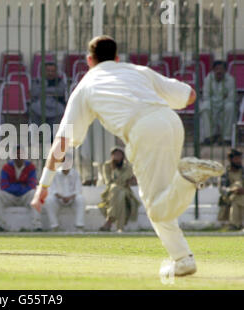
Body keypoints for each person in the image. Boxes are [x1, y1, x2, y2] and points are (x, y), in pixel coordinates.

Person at [31, 35, 224, 277]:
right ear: (117, 58)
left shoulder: (86, 86)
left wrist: (43, 186)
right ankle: (182, 259)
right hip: (171, 122)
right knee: (160, 197)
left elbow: (61, 143)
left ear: (89, 60)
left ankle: (188, 177)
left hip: (142, 130)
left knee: (156, 208)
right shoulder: (139, 70)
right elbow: (190, 96)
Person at [0, 145, 38, 231]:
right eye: (17, 154)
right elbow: (4, 186)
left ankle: (36, 225)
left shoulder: (31, 167)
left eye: (21, 154)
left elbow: (32, 185)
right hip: (11, 197)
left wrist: (14, 186)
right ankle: (1, 225)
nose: (19, 157)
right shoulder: (6, 167)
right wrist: (20, 187)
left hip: (25, 196)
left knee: (35, 194)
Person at [98, 146, 140, 232]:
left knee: (119, 192)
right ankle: (120, 227)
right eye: (115, 154)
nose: (117, 156)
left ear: (123, 156)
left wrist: (119, 181)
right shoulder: (107, 166)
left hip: (126, 191)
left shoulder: (128, 167)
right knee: (119, 194)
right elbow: (108, 181)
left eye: (119, 154)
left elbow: (125, 178)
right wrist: (115, 169)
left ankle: (109, 221)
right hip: (110, 192)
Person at [42, 152, 85, 231]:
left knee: (80, 199)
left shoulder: (75, 174)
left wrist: (70, 197)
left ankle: (79, 226)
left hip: (72, 199)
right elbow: (52, 190)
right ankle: (54, 226)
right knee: (48, 200)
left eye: (68, 161)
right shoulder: (54, 173)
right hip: (58, 199)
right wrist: (61, 197)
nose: (66, 163)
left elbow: (78, 190)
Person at [200, 61, 236, 146]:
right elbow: (206, 96)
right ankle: (209, 137)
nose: (219, 71)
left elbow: (231, 98)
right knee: (205, 106)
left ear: (225, 71)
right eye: (216, 69)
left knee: (230, 106)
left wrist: (221, 101)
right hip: (212, 105)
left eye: (221, 69)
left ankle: (226, 138)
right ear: (213, 70)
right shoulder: (208, 79)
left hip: (224, 105)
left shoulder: (230, 80)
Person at [30, 62, 67, 128]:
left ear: (56, 72)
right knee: (33, 108)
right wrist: (52, 91)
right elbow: (35, 92)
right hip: (40, 107)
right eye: (48, 71)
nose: (50, 73)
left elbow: (60, 92)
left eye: (52, 71)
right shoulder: (38, 81)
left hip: (56, 108)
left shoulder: (60, 81)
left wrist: (44, 90)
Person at [218, 149, 244, 231]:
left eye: (240, 159)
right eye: (236, 159)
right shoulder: (225, 173)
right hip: (229, 197)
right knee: (236, 195)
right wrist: (234, 190)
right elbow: (222, 189)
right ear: (230, 160)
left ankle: (234, 224)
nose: (239, 161)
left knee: (236, 199)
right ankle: (238, 224)